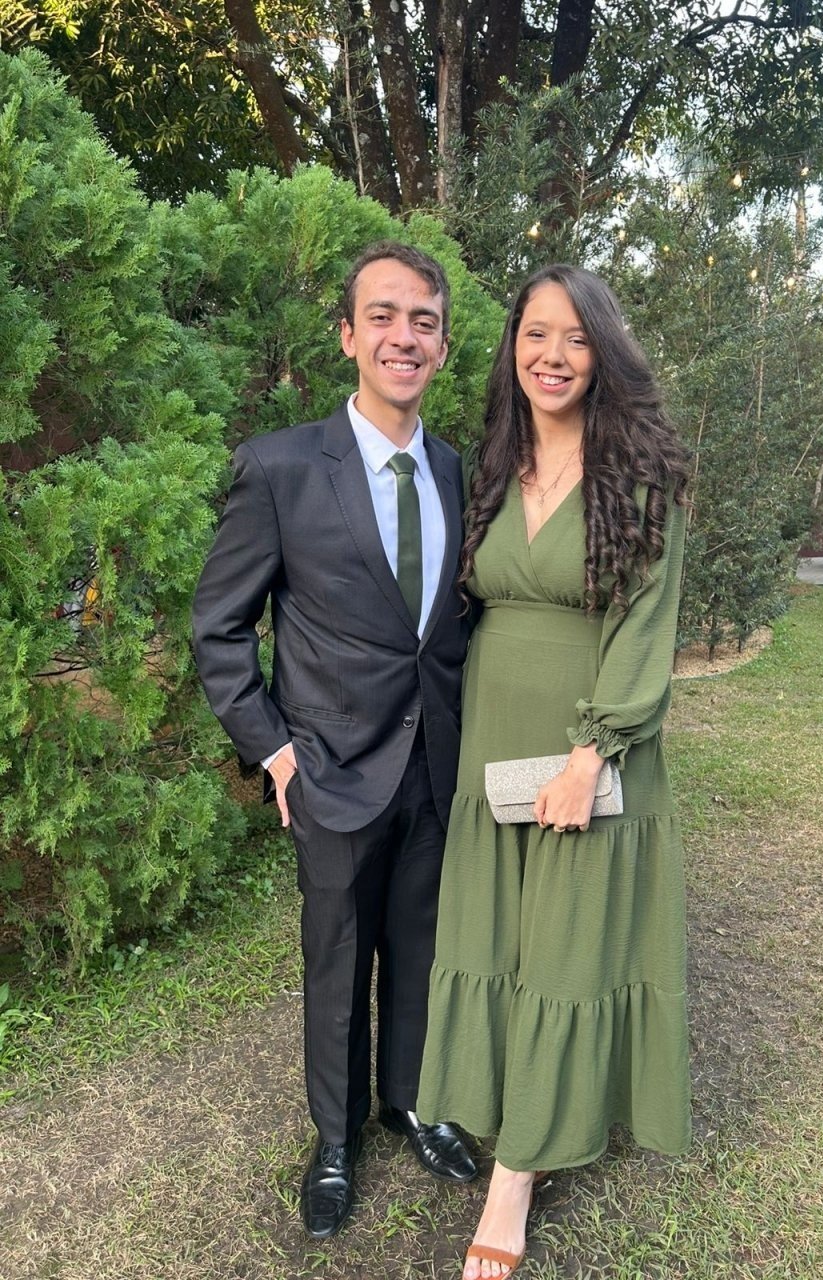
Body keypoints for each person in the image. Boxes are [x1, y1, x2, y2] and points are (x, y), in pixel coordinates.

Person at [192, 241, 478, 1242]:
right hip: (330, 772)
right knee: (338, 962)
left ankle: (413, 1102)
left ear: (443, 345)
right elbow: (219, 628)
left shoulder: (457, 471)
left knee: (424, 950)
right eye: (384, 316)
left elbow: (452, 626)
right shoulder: (279, 469)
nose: (405, 336)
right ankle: (335, 1138)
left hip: (435, 766)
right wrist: (274, 751)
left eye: (424, 321)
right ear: (349, 335)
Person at [417, 264, 691, 1279]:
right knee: (500, 937)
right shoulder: (492, 465)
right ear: (512, 348)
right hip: (493, 742)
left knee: (568, 949)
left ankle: (514, 1179)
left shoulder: (644, 476)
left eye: (576, 337)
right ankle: (501, 1097)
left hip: (589, 749)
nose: (553, 355)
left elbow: (646, 629)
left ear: (603, 352)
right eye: (536, 333)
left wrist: (591, 751)